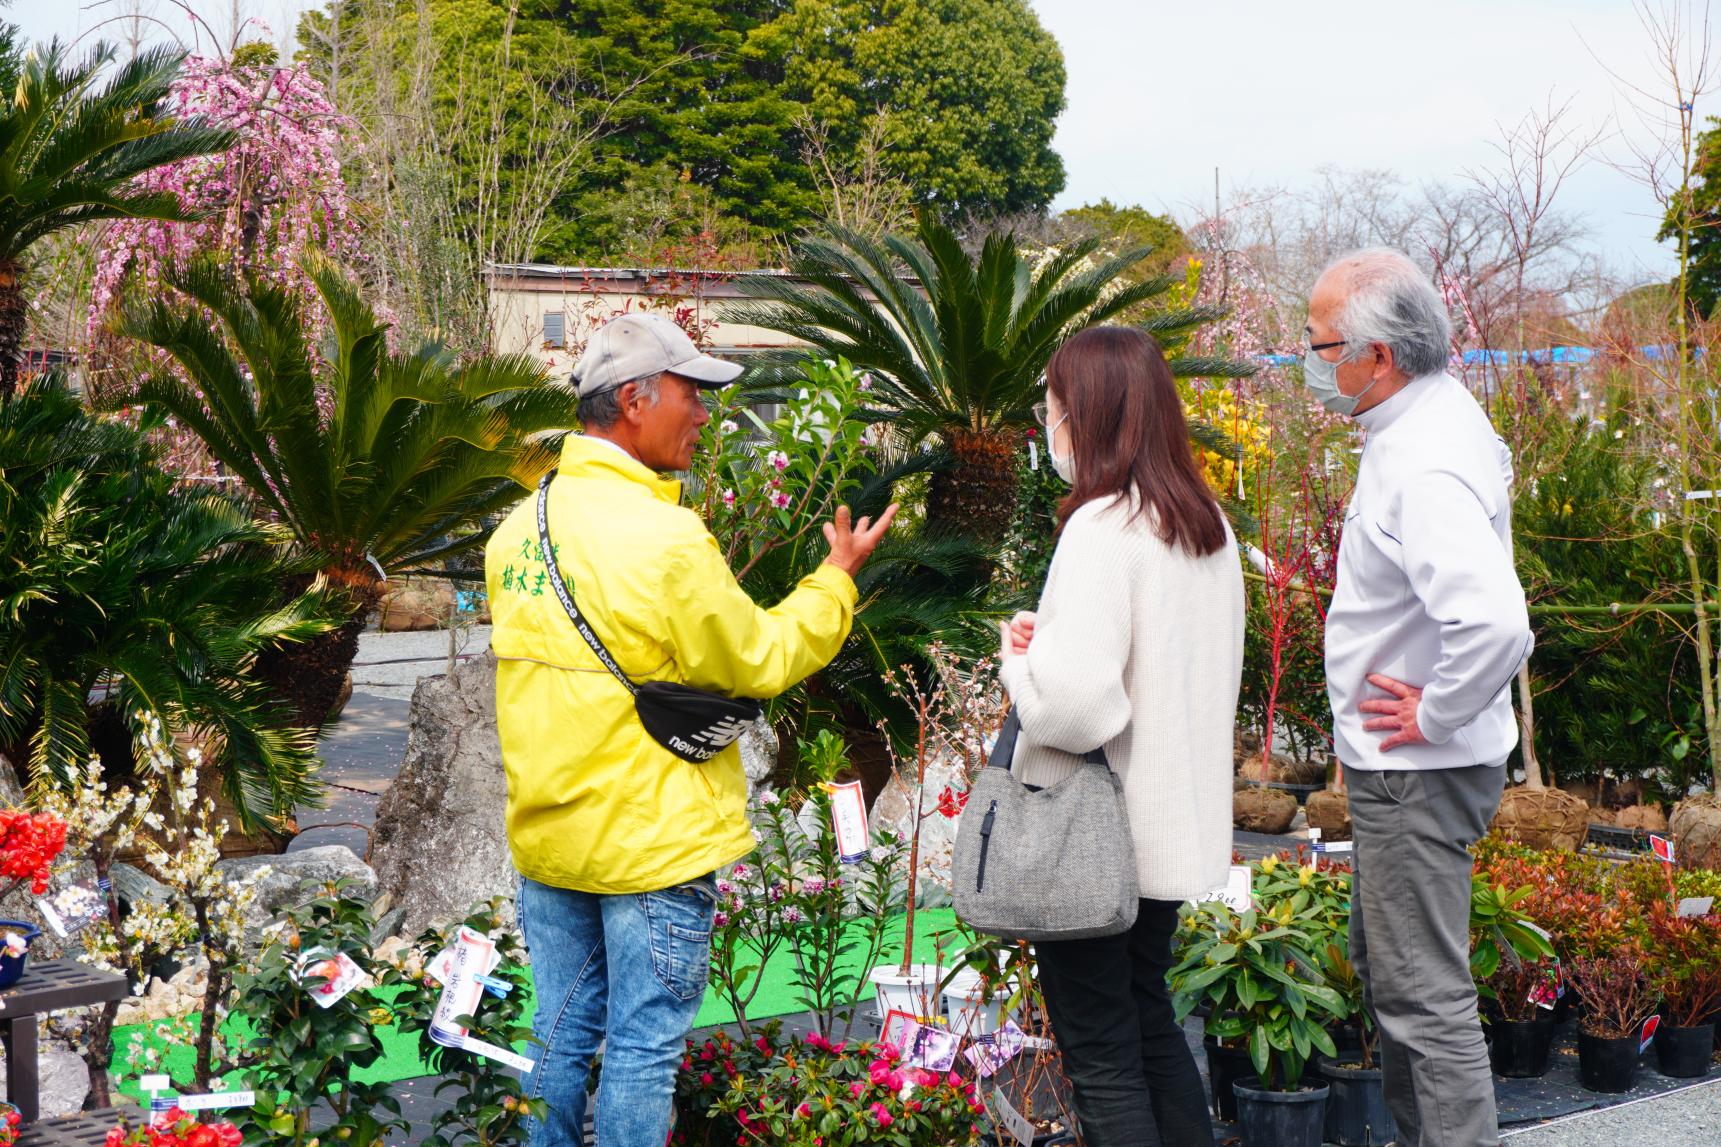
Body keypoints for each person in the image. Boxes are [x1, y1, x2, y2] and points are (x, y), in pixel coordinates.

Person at [485, 311, 897, 1147]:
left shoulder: (516, 529)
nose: (704, 415)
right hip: (651, 841)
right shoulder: (664, 537)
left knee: (556, 1037)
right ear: (634, 400)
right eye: (692, 394)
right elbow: (759, 658)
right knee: (643, 1045)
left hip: (549, 835)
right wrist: (836, 579)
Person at [998, 324, 1243, 1147]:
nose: (1048, 424)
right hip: (1168, 835)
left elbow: (1071, 709)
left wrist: (1015, 668)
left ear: (1089, 415)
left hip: (1095, 845)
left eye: (1054, 406)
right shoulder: (1203, 523)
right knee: (1149, 1021)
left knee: (1100, 1055)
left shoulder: (1101, 527)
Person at [1309, 248, 1533, 1147]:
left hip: (1417, 767)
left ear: (1378, 356)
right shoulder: (1422, 422)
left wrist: (1434, 711)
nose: (1311, 363)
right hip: (1414, 764)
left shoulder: (1425, 461)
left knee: (1421, 998)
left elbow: (1494, 624)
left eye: (1320, 344)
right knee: (1400, 980)